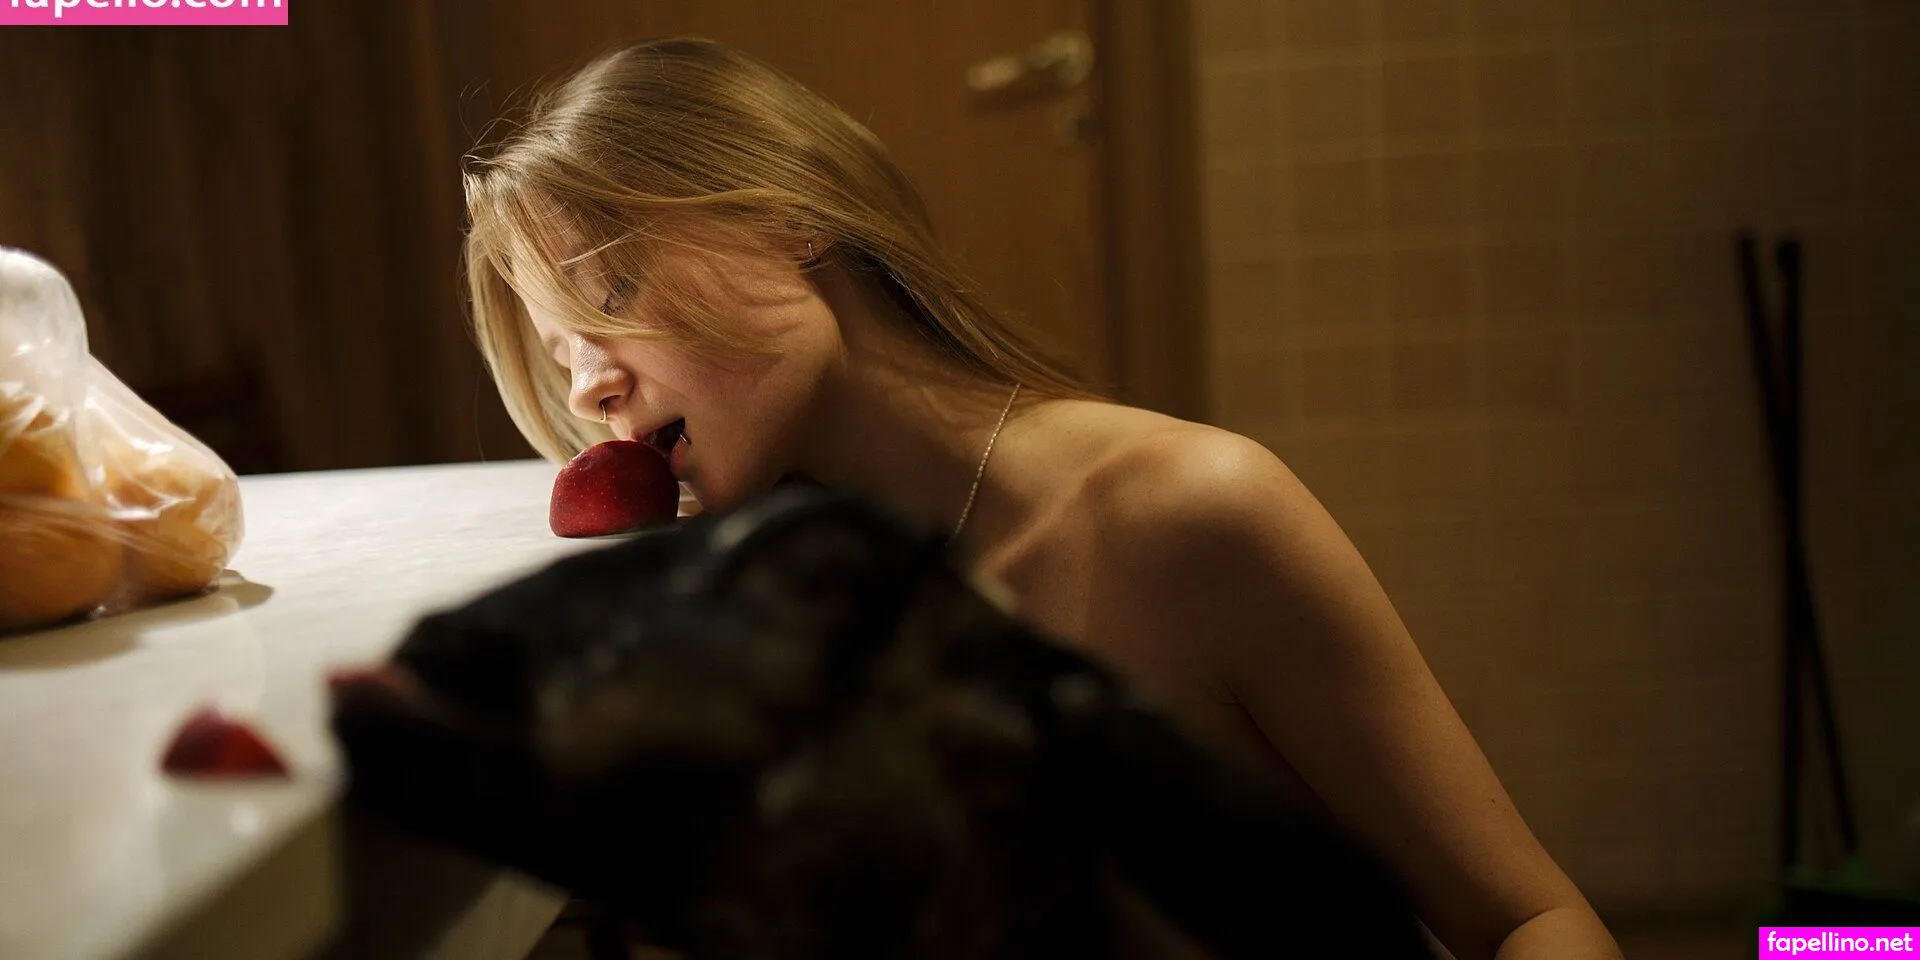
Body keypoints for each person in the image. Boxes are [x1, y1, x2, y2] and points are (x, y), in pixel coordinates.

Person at [460, 37, 1623, 960]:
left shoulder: (1188, 518)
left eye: (613, 291)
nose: (590, 388)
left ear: (789, 214)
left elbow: (1532, 921)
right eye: (562, 354)